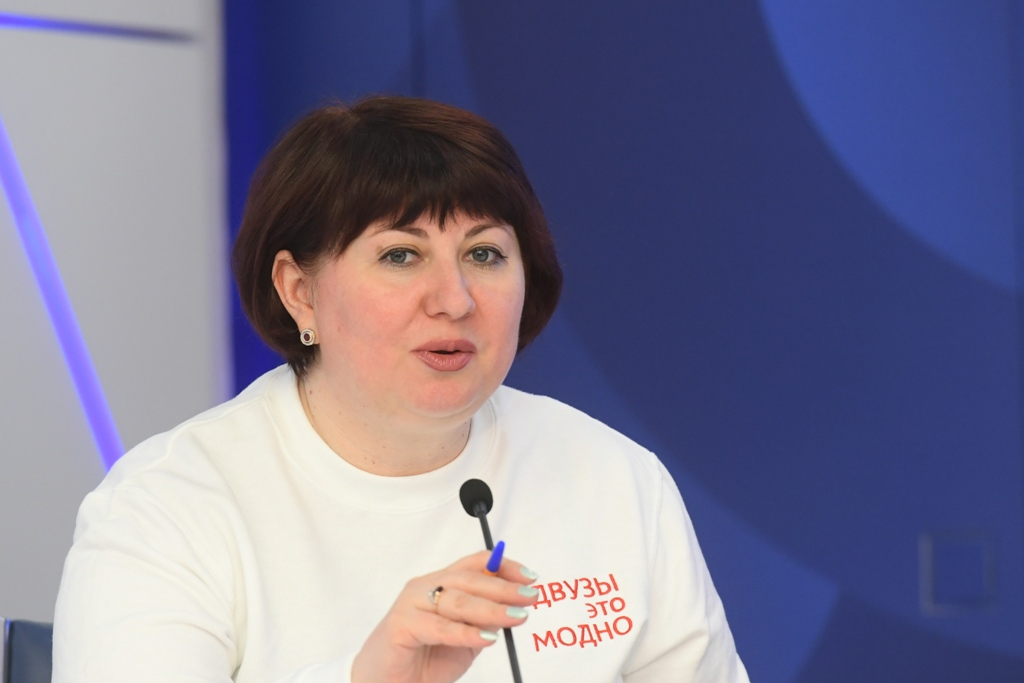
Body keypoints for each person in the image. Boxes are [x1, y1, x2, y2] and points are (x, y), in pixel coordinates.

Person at [52, 96, 749, 682]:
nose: (455, 299)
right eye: (400, 255)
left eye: (484, 254)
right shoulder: (166, 507)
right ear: (300, 292)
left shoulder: (615, 477)